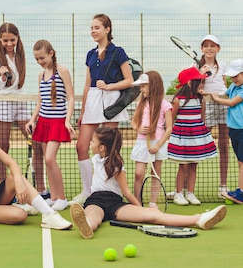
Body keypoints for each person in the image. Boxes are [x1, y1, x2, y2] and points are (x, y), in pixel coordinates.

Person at [69, 126, 227, 239]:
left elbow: (127, 192)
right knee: (92, 216)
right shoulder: (95, 158)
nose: (90, 144)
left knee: (153, 215)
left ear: (102, 147)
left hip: (115, 203)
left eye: (93, 141)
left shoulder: (116, 164)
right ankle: (87, 226)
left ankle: (199, 219)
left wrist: (139, 209)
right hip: (95, 200)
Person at [71, 14, 134, 206]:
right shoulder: (90, 55)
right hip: (92, 101)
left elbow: (129, 80)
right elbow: (87, 84)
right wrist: (82, 113)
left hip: (110, 103)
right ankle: (87, 190)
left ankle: (110, 189)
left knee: (109, 149)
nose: (93, 31)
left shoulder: (118, 52)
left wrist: (109, 87)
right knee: (81, 146)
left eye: (97, 27)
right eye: (91, 28)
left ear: (107, 29)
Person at [0, 23, 47, 197]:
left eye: (12, 39)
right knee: (3, 145)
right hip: (3, 101)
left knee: (36, 142)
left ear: (18, 38)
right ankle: (4, 188)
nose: (9, 43)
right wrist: (2, 78)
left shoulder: (21, 56)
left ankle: (41, 188)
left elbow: (19, 84)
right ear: (0, 39)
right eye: (5, 40)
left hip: (20, 100)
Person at [25, 40, 75, 211]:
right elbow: (40, 101)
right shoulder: (41, 75)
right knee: (48, 161)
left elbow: (71, 98)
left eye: (42, 58)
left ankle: (62, 198)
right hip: (43, 122)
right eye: (37, 59)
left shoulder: (63, 71)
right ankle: (53, 197)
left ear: (51, 53)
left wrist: (67, 120)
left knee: (49, 159)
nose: (40, 62)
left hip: (57, 122)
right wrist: (32, 119)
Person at [204, 59, 243, 204]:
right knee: (242, 162)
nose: (233, 79)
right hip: (234, 129)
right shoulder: (233, 86)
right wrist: (207, 92)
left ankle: (240, 192)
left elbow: (232, 102)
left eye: (236, 76)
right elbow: (223, 94)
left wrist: (215, 98)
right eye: (232, 76)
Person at [167, 67, 218, 206]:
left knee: (194, 165)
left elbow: (202, 119)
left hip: (196, 136)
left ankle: (190, 193)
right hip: (183, 137)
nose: (202, 85)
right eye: (200, 82)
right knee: (183, 165)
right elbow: (171, 118)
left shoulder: (201, 100)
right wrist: (169, 134)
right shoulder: (178, 100)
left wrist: (203, 135)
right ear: (190, 83)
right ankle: (178, 194)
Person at [129, 71, 173, 205]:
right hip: (142, 142)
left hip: (157, 143)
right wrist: (138, 128)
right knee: (139, 173)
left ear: (153, 85)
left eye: (144, 86)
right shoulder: (140, 103)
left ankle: (153, 203)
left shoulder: (165, 105)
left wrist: (158, 145)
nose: (141, 89)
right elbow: (134, 121)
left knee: (156, 173)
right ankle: (137, 202)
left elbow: (169, 128)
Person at [196, 35, 230, 198]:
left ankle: (223, 186)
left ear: (218, 49)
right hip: (207, 104)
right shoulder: (196, 65)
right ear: (202, 49)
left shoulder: (223, 65)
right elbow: (193, 86)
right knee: (198, 144)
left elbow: (223, 83)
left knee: (224, 145)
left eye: (213, 45)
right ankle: (186, 188)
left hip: (223, 102)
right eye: (206, 46)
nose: (209, 48)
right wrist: (200, 76)